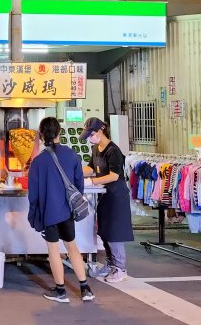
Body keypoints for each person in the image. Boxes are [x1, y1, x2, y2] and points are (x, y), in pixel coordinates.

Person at [28, 117, 95, 303]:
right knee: (72, 246)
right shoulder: (72, 155)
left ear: (41, 136)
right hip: (67, 212)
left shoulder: (38, 162)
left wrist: (33, 215)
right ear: (59, 133)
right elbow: (79, 184)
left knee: (53, 249)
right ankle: (85, 289)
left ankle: (60, 292)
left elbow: (33, 194)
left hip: (49, 212)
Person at [80, 117, 134, 283]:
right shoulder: (97, 148)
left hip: (116, 195)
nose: (90, 138)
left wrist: (92, 181)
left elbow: (114, 175)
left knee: (114, 233)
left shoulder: (113, 150)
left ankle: (120, 268)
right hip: (104, 195)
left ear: (100, 131)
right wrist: (74, 171)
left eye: (91, 134)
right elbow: (91, 168)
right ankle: (111, 264)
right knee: (104, 230)